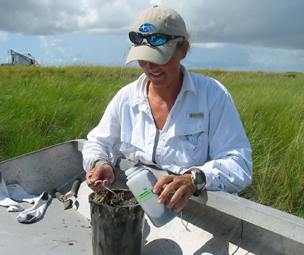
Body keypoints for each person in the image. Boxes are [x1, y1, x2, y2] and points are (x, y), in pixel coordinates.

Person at [82, 5, 252, 213]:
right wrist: (101, 163)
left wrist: (193, 179)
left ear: (184, 50)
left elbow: (239, 164)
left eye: (161, 57)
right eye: (143, 58)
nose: (151, 67)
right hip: (138, 208)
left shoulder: (213, 95)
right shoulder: (126, 98)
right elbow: (97, 143)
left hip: (198, 213)